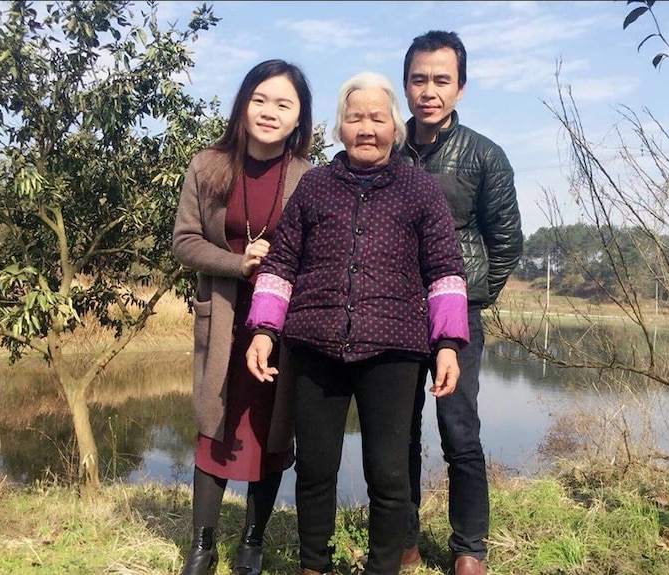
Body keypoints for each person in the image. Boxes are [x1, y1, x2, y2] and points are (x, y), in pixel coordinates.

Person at [244, 71, 470, 575]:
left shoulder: (419, 190)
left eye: (377, 117)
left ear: (395, 126)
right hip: (313, 345)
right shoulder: (314, 185)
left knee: (389, 474)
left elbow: (445, 269)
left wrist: (448, 344)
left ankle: (383, 566)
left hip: (393, 351)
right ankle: (313, 565)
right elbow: (282, 263)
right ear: (339, 128)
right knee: (316, 470)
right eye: (355, 117)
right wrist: (263, 330)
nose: (366, 127)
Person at [171, 59, 314, 575]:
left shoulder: (307, 177)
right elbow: (184, 242)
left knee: (272, 432)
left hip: (281, 326)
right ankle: (201, 546)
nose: (269, 112)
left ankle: (252, 541)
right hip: (224, 318)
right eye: (260, 99)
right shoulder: (207, 165)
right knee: (215, 424)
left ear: (299, 118)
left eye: (283, 104)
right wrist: (237, 261)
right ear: (243, 103)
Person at [399, 30, 524, 575]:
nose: (430, 90)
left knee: (460, 429)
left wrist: (476, 296)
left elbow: (507, 241)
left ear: (461, 87)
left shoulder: (485, 155)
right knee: (396, 430)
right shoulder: (387, 148)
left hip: (459, 318)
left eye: (441, 80)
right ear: (405, 85)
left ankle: (468, 547)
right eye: (420, 79)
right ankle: (400, 538)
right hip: (395, 313)